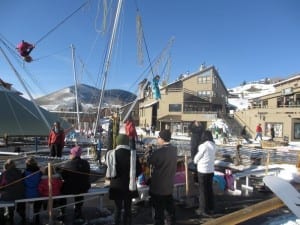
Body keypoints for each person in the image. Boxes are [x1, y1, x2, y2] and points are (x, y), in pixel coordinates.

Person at [108, 134, 142, 225]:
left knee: (117, 209)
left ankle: (117, 223)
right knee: (128, 209)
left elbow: (108, 171)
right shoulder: (133, 154)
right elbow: (139, 171)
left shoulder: (112, 154)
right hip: (129, 185)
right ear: (127, 142)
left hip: (116, 186)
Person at [148, 129, 177, 225]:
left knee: (158, 211)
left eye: (158, 137)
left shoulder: (159, 152)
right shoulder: (174, 149)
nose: (157, 139)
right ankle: (170, 221)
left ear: (163, 139)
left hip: (158, 186)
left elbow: (150, 161)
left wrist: (149, 152)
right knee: (169, 209)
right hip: (169, 185)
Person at [58, 145, 91, 221]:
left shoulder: (68, 164)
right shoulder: (86, 163)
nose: (70, 155)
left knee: (62, 192)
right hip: (84, 187)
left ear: (73, 154)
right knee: (79, 189)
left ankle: (62, 210)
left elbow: (63, 176)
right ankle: (78, 209)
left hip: (71, 188)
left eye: (71, 153)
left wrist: (60, 170)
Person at [193, 130, 216, 217]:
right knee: (209, 190)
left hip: (202, 171)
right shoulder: (214, 145)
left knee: (202, 191)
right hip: (211, 170)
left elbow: (196, 159)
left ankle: (202, 209)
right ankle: (211, 208)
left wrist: (195, 161)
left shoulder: (203, 146)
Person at [0, 159, 25, 225]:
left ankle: (3, 218)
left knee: (4, 198)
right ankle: (10, 217)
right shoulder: (19, 172)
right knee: (9, 195)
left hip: (10, 195)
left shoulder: (4, 174)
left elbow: (2, 185)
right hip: (20, 194)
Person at [22, 157, 43, 224]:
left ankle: (24, 218)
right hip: (37, 193)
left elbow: (23, 184)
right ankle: (37, 216)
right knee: (38, 199)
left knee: (21, 199)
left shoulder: (24, 173)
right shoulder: (40, 172)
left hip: (27, 194)